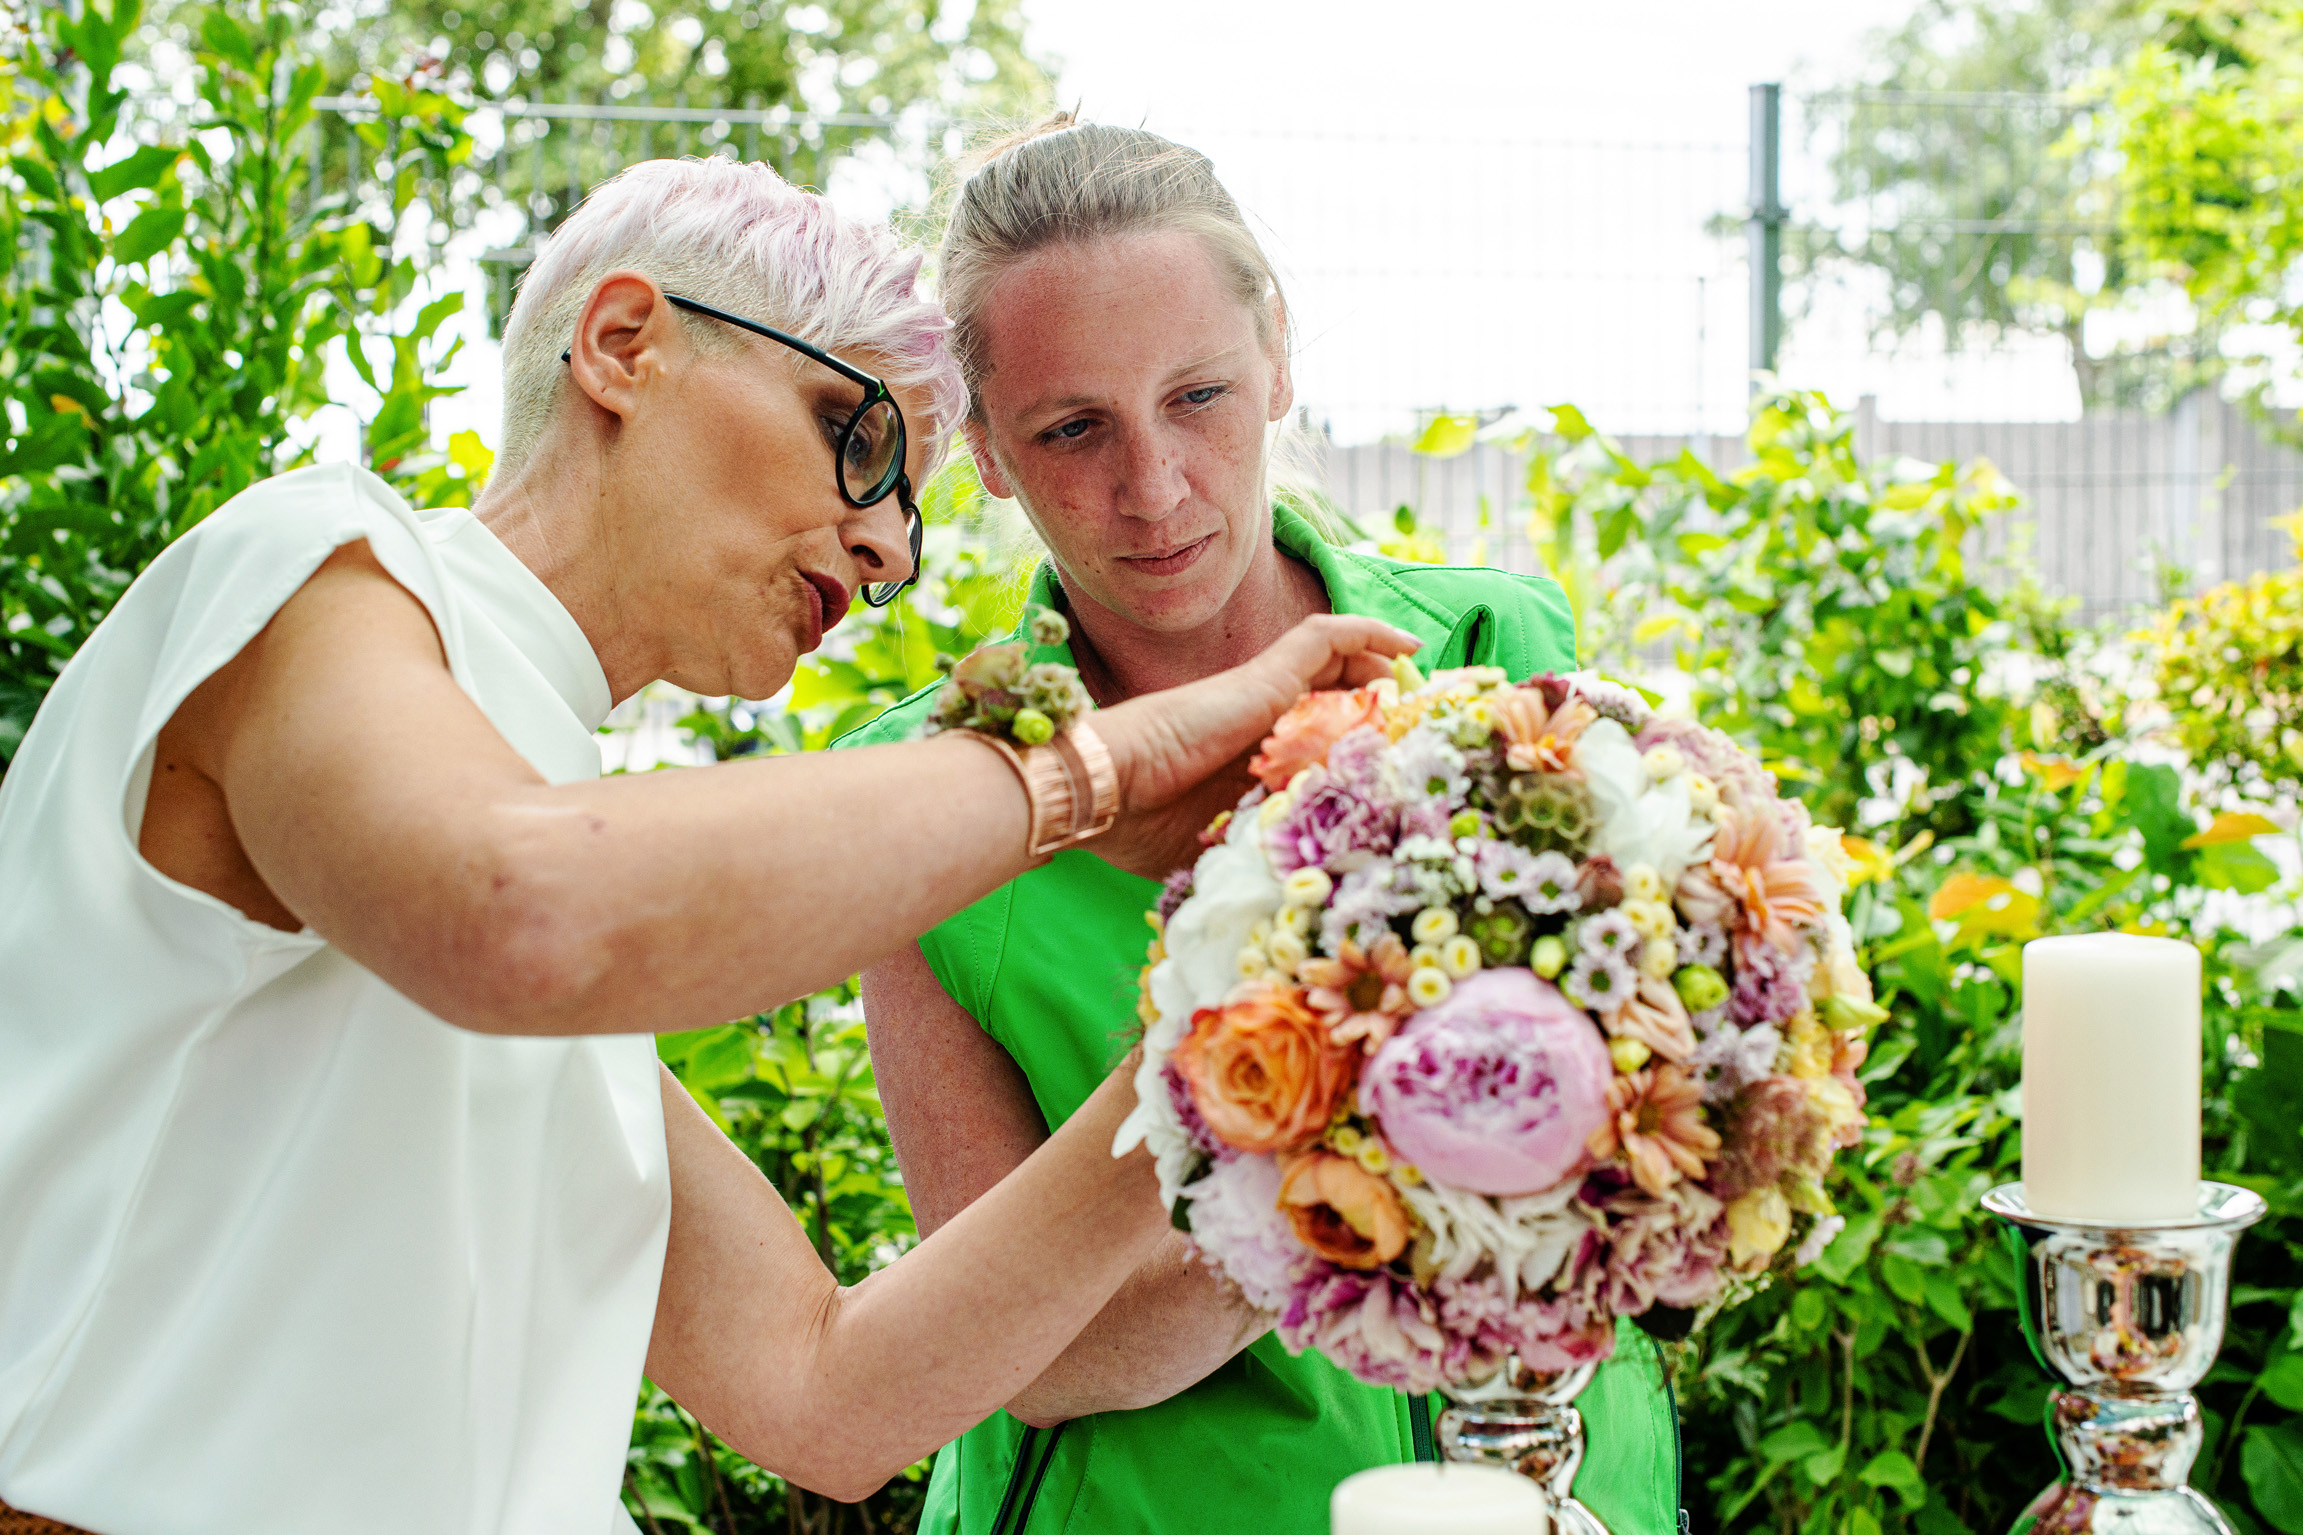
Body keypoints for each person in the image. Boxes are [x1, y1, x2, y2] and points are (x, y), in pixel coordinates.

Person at [0, 157, 1420, 1535]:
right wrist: (1093, 769)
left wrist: (1242, 1019)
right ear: (625, 344)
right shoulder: (306, 565)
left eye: (912, 505)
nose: (890, 551)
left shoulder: (547, 832)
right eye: (860, 438)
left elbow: (826, 1400)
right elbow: (523, 911)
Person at [844, 119, 1684, 1535]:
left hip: (1557, 1494)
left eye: (1199, 395)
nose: (1155, 485)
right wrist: (1369, 1174)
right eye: (1072, 428)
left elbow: (1658, 1127)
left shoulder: (1496, 652)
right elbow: (1033, 1364)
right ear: (982, 449)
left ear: (1278, 355)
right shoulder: (922, 803)